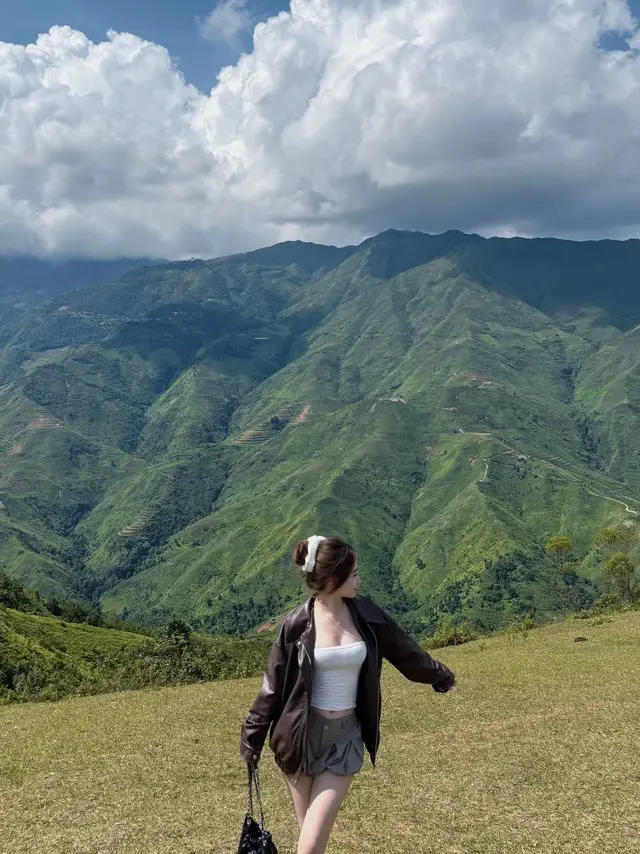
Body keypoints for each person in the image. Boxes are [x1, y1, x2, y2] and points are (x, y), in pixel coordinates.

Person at [240, 535, 456, 854]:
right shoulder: (296, 625)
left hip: (345, 741)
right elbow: (272, 686)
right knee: (312, 842)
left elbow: (404, 651)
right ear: (332, 579)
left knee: (309, 846)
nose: (359, 579)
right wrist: (252, 737)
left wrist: (439, 674)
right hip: (299, 740)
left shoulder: (366, 613)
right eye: (353, 574)